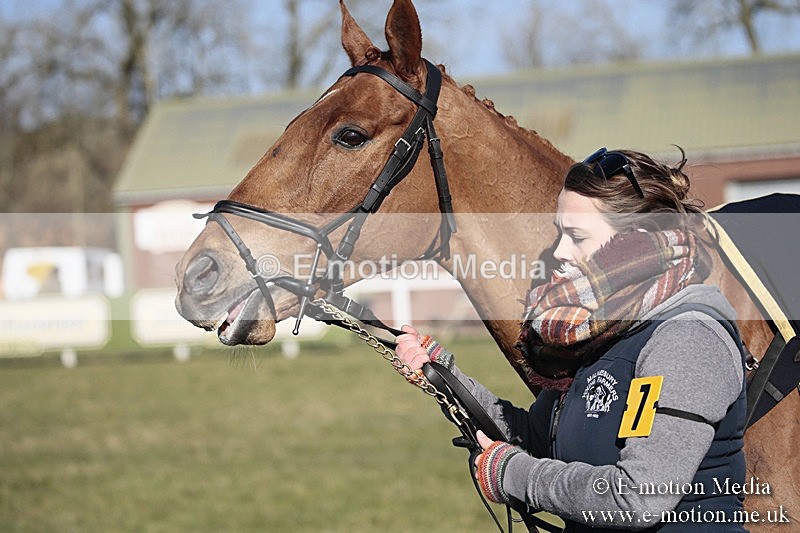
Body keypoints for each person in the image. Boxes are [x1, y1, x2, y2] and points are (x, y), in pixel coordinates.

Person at [396, 147, 747, 532]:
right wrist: (443, 375)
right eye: (560, 233)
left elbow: (639, 496)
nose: (560, 251)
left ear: (637, 241)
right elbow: (537, 438)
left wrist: (513, 474)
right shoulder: (599, 331)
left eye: (576, 236)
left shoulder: (686, 339)